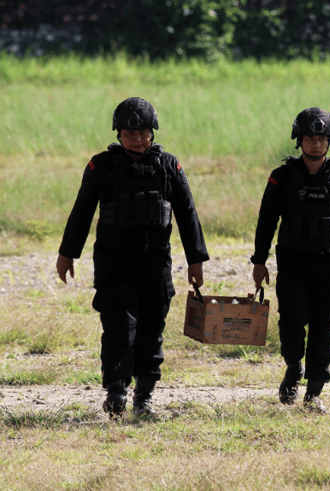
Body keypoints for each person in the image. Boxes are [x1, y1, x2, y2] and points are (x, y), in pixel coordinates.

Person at [56, 97, 209, 418]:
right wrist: (67, 254)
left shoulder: (169, 165)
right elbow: (82, 210)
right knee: (118, 326)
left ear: (152, 133)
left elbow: (188, 213)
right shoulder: (102, 166)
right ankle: (115, 390)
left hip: (155, 263)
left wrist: (196, 260)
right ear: (118, 134)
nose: (137, 139)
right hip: (113, 262)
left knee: (152, 327)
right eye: (130, 133)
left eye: (143, 133)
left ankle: (145, 395)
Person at [251, 107, 330, 414]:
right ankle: (293, 367)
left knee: (321, 329)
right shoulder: (281, 178)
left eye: (321, 138)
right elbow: (266, 222)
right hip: (291, 264)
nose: (316, 144)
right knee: (291, 323)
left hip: (329, 265)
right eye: (309, 138)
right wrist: (259, 261)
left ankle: (314, 391)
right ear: (299, 140)